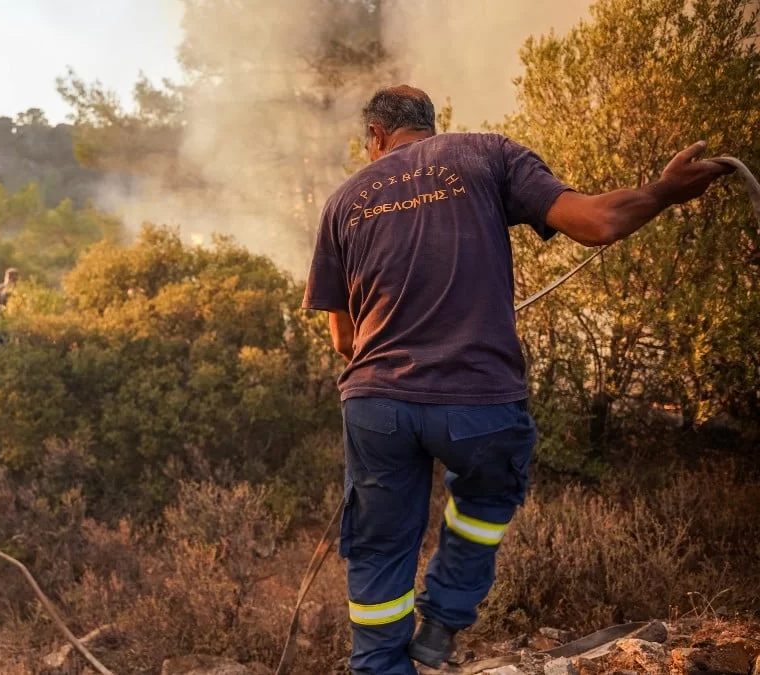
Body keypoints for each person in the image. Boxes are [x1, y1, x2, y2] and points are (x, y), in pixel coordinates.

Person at [302, 85, 732, 675]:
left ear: (375, 135)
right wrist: (665, 191)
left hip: (377, 407)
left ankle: (379, 666)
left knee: (379, 549)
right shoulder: (485, 153)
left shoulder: (344, 201)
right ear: (431, 124)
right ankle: (444, 621)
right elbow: (598, 222)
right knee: (484, 499)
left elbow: (344, 341)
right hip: (476, 400)